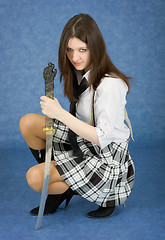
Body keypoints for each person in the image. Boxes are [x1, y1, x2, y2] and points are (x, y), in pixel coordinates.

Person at [20, 13, 135, 219]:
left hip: (107, 158)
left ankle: (67, 186)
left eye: (83, 50)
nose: (75, 57)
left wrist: (60, 114)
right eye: (70, 50)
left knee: (35, 178)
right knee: (28, 123)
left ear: (96, 48)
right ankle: (66, 180)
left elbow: (102, 137)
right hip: (86, 143)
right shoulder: (80, 73)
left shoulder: (110, 84)